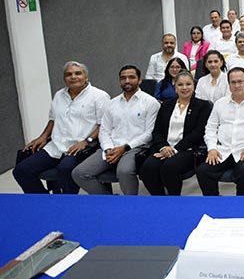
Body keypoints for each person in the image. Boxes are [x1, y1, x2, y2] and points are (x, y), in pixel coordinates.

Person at [13, 61, 110, 194]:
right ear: (64, 78)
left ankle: (68, 204)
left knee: (64, 170)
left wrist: (86, 141)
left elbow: (104, 125)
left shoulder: (99, 96)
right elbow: (53, 119)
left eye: (78, 73)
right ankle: (45, 203)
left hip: (81, 148)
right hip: (56, 146)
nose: (73, 77)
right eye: (69, 74)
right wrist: (42, 137)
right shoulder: (59, 95)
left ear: (86, 77)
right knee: (21, 171)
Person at [72, 65, 160, 195]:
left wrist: (124, 148)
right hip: (111, 147)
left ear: (140, 80)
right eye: (123, 78)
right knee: (79, 173)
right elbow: (104, 130)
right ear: (119, 81)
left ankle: (130, 204)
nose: (127, 81)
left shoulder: (151, 103)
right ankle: (111, 201)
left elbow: (149, 134)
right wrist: (108, 148)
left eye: (131, 77)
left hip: (134, 148)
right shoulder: (112, 103)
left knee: (123, 171)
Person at [140, 71, 212, 195]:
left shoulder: (202, 106)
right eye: (180, 85)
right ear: (175, 87)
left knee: (169, 167)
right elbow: (156, 131)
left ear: (193, 86)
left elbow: (198, 133)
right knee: (148, 168)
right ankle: (160, 198)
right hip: (164, 148)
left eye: (188, 84)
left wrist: (175, 149)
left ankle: (174, 199)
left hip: (186, 149)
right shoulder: (166, 105)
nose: (184, 88)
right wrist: (163, 147)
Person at [197, 67, 244, 196]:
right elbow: (210, 129)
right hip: (223, 151)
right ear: (228, 84)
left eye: (240, 81)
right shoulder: (220, 103)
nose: (237, 85)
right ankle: (215, 202)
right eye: (233, 82)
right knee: (203, 171)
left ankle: (241, 205)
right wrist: (211, 148)